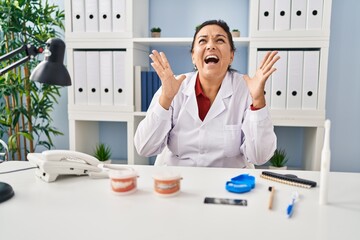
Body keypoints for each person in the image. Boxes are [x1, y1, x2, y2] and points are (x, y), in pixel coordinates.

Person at [134, 19, 279, 168]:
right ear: (193, 56)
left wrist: (258, 101)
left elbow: (260, 157)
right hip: (178, 181)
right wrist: (166, 98)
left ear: (231, 55)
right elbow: (144, 147)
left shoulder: (246, 89)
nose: (211, 45)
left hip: (229, 184)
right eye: (203, 41)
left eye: (220, 40)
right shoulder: (173, 87)